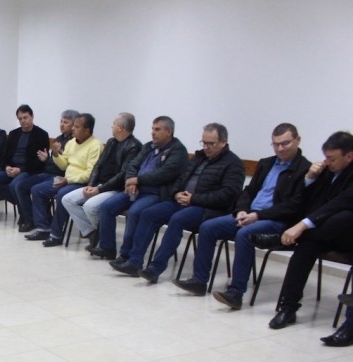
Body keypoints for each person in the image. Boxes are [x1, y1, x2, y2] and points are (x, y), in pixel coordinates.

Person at [173, 123, 311, 307]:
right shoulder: (266, 163)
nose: (280, 148)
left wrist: (258, 215)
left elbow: (293, 206)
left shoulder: (305, 169)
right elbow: (248, 191)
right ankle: (199, 281)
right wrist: (242, 210)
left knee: (244, 234)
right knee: (208, 227)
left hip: (276, 221)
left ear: (297, 140)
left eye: (285, 143)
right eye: (276, 144)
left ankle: (236, 293)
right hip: (249, 214)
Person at [110, 123, 244, 280]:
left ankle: (155, 268)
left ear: (223, 142)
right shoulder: (199, 157)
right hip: (181, 201)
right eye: (204, 142)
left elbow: (228, 195)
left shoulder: (233, 164)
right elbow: (180, 179)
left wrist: (193, 199)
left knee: (177, 219)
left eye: (211, 144)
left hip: (206, 208)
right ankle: (134, 262)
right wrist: (176, 194)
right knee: (149, 214)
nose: (206, 147)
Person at [256, 131, 353, 330]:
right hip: (322, 234)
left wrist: (301, 226)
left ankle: (281, 240)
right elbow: (306, 203)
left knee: (341, 217)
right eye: (326, 157)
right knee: (304, 249)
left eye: (332, 159)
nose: (327, 162)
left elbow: (337, 204)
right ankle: (288, 308)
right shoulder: (328, 171)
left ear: (349, 156)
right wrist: (309, 178)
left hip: (347, 237)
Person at [92, 116, 189, 261]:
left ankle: (126, 255)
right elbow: (133, 165)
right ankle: (107, 248)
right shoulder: (149, 146)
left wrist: (138, 180)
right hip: (135, 189)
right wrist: (131, 181)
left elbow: (164, 174)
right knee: (107, 207)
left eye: (157, 129)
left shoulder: (178, 151)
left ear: (169, 132)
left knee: (134, 212)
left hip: (155, 194)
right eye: (152, 129)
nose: (153, 133)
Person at [62, 112, 142, 251]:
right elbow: (98, 165)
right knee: (67, 199)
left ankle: (105, 242)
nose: (112, 126)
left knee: (90, 206)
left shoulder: (134, 146)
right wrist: (91, 184)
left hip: (115, 188)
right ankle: (92, 233)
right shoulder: (111, 142)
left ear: (120, 127)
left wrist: (99, 189)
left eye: (114, 124)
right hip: (98, 185)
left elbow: (123, 175)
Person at [25, 113, 103, 246]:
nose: (73, 129)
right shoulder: (72, 142)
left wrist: (68, 180)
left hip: (82, 183)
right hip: (66, 180)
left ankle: (56, 235)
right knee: (37, 190)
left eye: (76, 127)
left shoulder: (96, 145)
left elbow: (90, 174)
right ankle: (44, 228)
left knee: (62, 195)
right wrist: (56, 154)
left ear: (87, 130)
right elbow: (64, 165)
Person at [0, 105, 51, 232]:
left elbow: (39, 161)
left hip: (29, 170)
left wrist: (20, 170)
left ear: (32, 116)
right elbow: (5, 154)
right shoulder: (14, 134)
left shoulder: (41, 134)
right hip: (12, 168)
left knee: (15, 185)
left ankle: (28, 219)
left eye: (25, 117)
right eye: (20, 118)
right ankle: (25, 209)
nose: (23, 121)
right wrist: (7, 166)